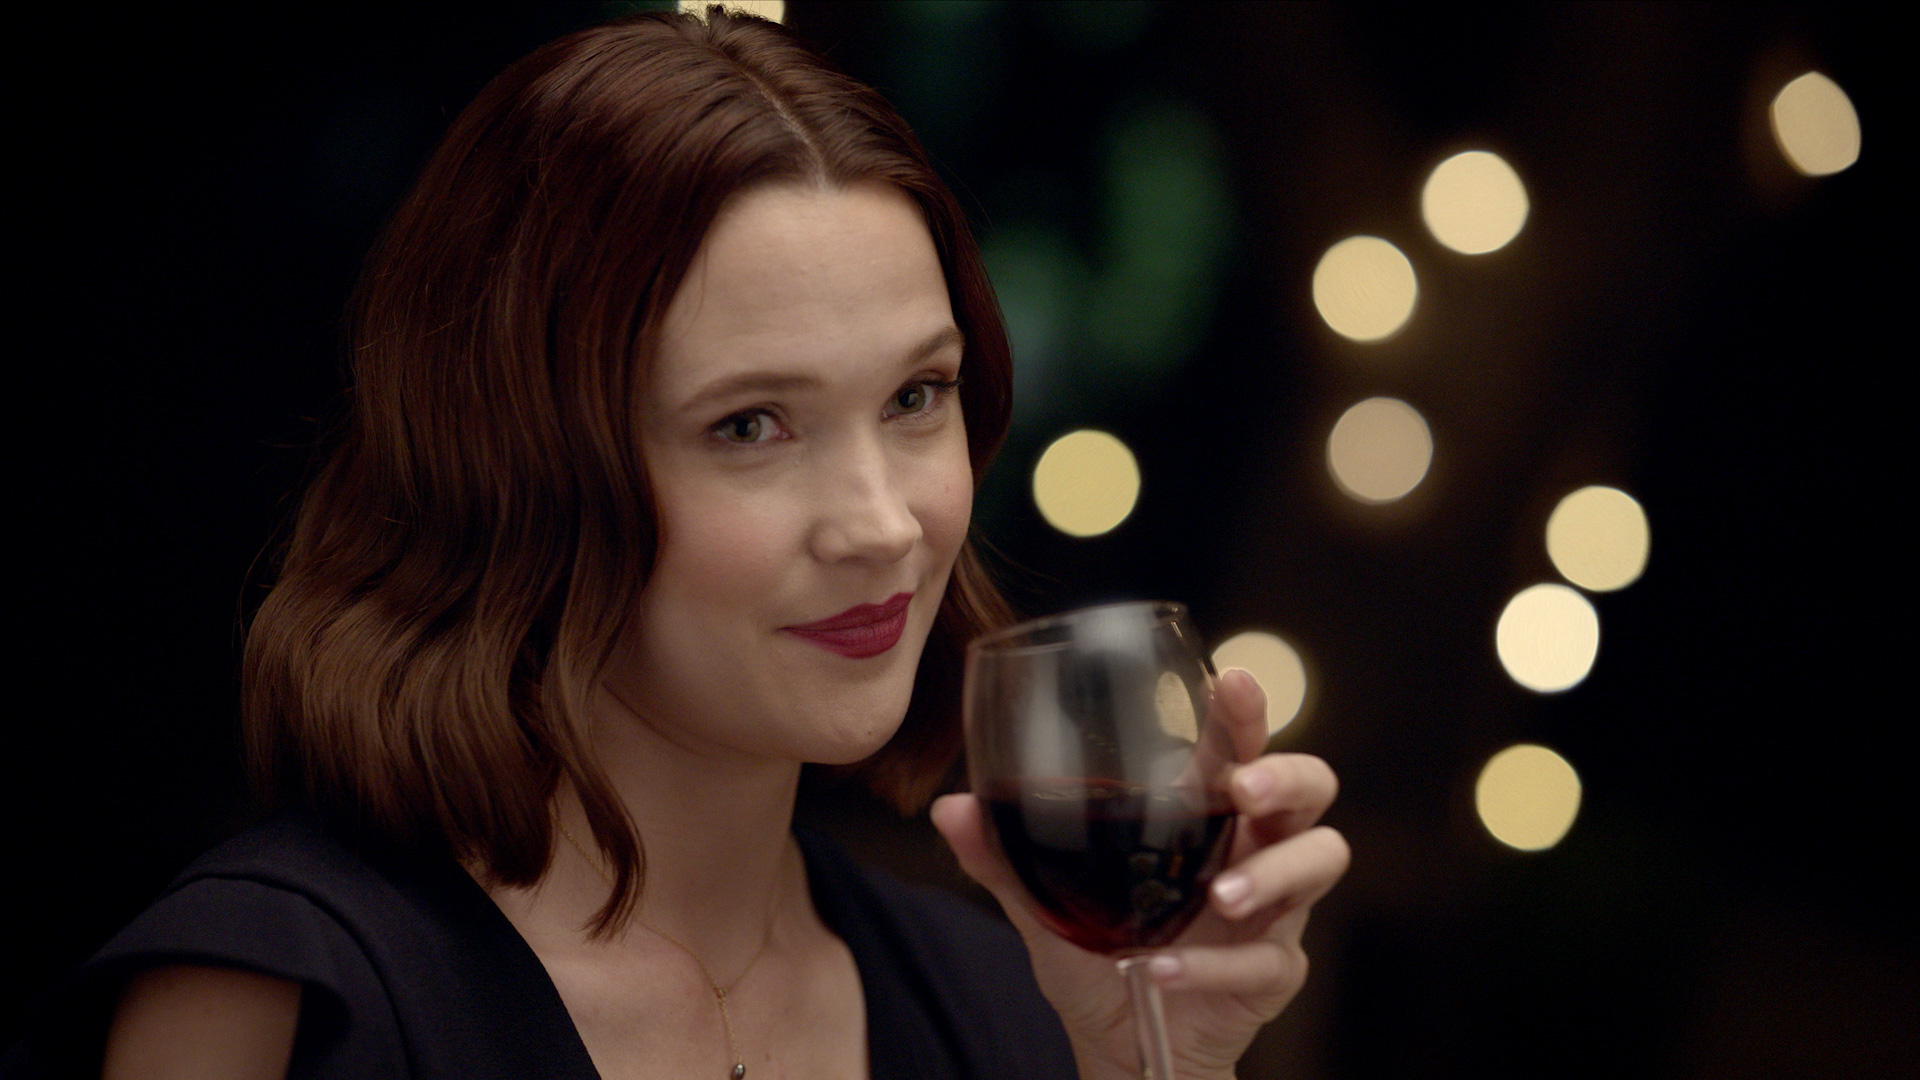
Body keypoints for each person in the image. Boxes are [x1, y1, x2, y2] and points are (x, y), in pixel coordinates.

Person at [9, 8, 1347, 1079]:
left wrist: (1146, 1064)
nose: (883, 523)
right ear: (515, 465)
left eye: (915, 397)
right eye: (750, 425)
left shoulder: (1007, 1000)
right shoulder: (284, 1000)